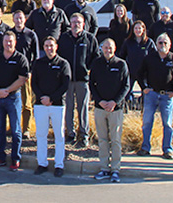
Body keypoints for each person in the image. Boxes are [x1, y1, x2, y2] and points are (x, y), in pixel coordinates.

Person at [0, 30, 30, 171]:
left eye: (10, 41)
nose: (8, 44)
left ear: (15, 42)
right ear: (3, 42)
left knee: (16, 130)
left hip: (13, 98)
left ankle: (15, 158)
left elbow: (22, 79)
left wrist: (7, 90)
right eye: (6, 41)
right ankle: (0, 157)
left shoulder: (20, 59)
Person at [89, 39, 131, 183]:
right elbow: (92, 84)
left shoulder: (121, 64)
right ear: (102, 49)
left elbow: (126, 86)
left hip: (115, 109)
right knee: (102, 140)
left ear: (115, 48)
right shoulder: (97, 64)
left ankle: (115, 169)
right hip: (100, 108)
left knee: (115, 140)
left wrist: (115, 102)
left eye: (110, 47)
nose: (108, 50)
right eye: (106, 47)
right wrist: (99, 101)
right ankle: (104, 168)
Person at [57, 12, 99, 148]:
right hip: (67, 79)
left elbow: (96, 57)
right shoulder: (64, 38)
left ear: (83, 24)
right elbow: (59, 57)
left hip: (83, 79)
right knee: (68, 107)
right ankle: (70, 133)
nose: (76, 25)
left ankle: (84, 134)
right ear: (70, 24)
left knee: (83, 108)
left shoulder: (90, 39)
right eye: (74, 22)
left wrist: (88, 69)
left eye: (79, 22)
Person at [31, 36, 71, 177]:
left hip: (57, 105)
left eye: (51, 46)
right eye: (46, 46)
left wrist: (52, 98)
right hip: (41, 104)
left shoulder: (63, 63)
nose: (49, 48)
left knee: (59, 136)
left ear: (56, 47)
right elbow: (34, 83)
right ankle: (42, 163)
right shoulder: (38, 63)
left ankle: (59, 165)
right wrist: (42, 98)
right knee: (41, 135)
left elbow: (65, 85)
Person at [138, 34, 173, 159]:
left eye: (165, 43)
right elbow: (140, 73)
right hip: (151, 94)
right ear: (156, 45)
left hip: (167, 96)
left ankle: (167, 149)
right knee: (147, 122)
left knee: (167, 124)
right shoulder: (149, 58)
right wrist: (144, 88)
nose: (163, 45)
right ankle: (145, 148)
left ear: (170, 45)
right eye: (160, 42)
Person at [11, 10, 39, 139]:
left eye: (21, 18)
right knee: (11, 102)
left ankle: (26, 129)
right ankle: (14, 127)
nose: (19, 21)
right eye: (16, 18)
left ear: (25, 19)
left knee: (26, 103)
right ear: (13, 19)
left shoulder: (31, 34)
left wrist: (31, 71)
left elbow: (36, 55)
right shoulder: (9, 34)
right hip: (11, 74)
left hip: (26, 74)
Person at [125, 20, 155, 107]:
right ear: (133, 30)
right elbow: (122, 56)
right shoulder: (128, 42)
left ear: (143, 30)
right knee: (126, 92)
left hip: (144, 73)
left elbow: (154, 56)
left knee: (146, 94)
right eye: (136, 28)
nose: (138, 30)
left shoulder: (149, 42)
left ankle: (143, 109)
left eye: (139, 28)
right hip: (131, 72)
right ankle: (127, 108)